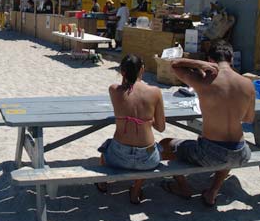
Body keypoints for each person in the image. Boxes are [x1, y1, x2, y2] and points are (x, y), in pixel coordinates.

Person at [160, 40, 254, 206]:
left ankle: (183, 187)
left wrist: (199, 63)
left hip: (211, 152)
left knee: (166, 144)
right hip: (241, 152)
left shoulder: (204, 81)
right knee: (227, 154)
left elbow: (175, 64)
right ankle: (212, 192)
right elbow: (248, 119)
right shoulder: (247, 84)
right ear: (231, 58)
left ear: (210, 60)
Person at [97, 54, 165, 203]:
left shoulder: (114, 90)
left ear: (122, 72)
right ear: (142, 69)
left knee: (104, 149)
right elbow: (161, 127)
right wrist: (148, 119)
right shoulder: (155, 92)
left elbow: (126, 90)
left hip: (119, 156)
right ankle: (135, 190)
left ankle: (102, 183)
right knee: (160, 147)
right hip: (147, 159)